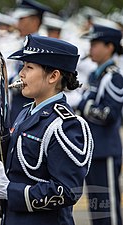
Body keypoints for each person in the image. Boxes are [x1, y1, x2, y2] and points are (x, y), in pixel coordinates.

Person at [0, 34, 94, 224]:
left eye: (29, 67)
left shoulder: (67, 125)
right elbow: (16, 158)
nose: (21, 74)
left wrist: (9, 191)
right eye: (23, 67)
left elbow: (67, 191)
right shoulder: (27, 112)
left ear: (53, 76)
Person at [77, 24, 123, 225]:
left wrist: (82, 104)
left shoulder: (114, 77)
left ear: (110, 47)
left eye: (95, 44)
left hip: (106, 151)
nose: (91, 48)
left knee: (109, 209)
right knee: (97, 208)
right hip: (93, 151)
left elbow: (109, 114)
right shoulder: (95, 75)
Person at [7, 0, 51, 126]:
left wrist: (10, 81)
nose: (17, 24)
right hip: (20, 109)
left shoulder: (42, 47)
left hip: (31, 112)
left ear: (35, 21)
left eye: (22, 19)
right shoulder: (26, 44)